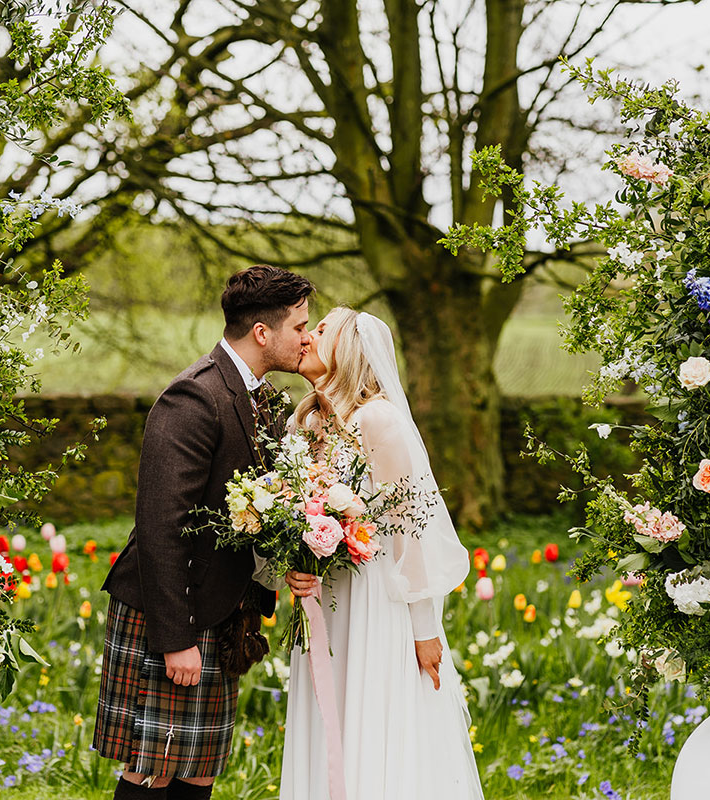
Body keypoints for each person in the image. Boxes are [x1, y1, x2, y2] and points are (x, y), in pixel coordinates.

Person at [94, 265, 314, 800]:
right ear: (263, 333)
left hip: (220, 609)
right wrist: (176, 641)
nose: (308, 337)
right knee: (156, 768)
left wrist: (286, 561)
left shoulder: (260, 396)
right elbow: (161, 527)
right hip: (171, 612)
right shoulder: (194, 398)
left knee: (199, 770)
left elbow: (251, 509)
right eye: (300, 326)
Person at [280, 307, 484, 800]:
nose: (306, 337)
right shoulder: (304, 422)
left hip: (375, 602)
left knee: (375, 721)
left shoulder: (379, 420)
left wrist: (424, 629)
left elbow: (414, 531)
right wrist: (294, 566)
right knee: (329, 725)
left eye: (320, 329)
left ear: (347, 347)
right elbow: (291, 515)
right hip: (325, 602)